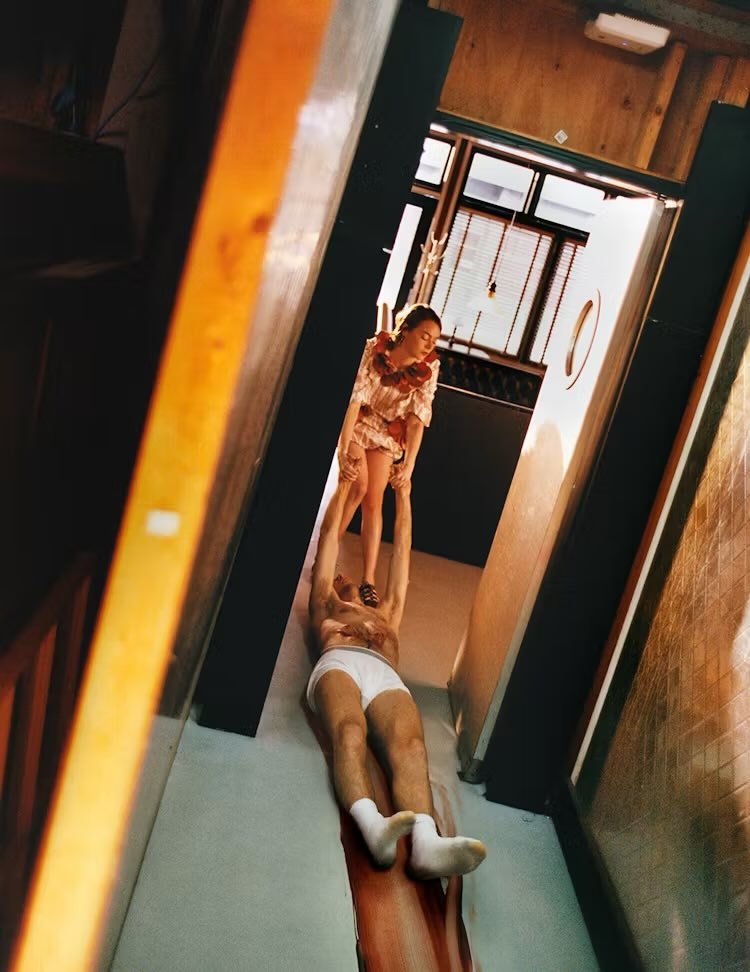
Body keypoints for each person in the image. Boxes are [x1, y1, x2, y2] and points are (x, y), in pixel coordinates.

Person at [307, 467, 487, 880]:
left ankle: (426, 845)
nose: (347, 581)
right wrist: (344, 485)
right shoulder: (326, 605)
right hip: (340, 662)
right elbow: (330, 537)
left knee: (412, 747)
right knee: (349, 731)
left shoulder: (387, 613)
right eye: (340, 580)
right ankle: (373, 827)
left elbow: (401, 552)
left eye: (351, 581)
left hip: (385, 674)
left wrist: (403, 495)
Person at [338, 303, 441, 609]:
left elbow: (417, 419)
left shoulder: (430, 368)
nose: (429, 345)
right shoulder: (375, 350)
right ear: (406, 331)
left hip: (386, 430)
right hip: (360, 421)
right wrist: (342, 451)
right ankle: (326, 557)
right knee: (357, 486)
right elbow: (355, 400)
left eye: (435, 340)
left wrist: (408, 465)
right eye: (424, 336)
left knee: (374, 499)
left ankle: (368, 580)